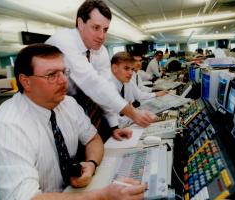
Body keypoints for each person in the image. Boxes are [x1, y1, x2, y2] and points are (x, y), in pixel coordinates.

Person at [0, 44, 147, 200]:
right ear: (26, 82)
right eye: (52, 75)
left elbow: (93, 139)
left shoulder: (67, 103)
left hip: (65, 196)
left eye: (64, 72)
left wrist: (91, 163)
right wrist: (103, 198)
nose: (64, 80)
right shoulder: (7, 128)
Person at [46, 0, 155, 134]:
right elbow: (92, 82)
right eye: (96, 28)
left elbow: (105, 86)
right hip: (48, 106)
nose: (102, 36)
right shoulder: (64, 41)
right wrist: (133, 113)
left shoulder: (101, 51)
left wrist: (113, 126)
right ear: (80, 23)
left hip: (78, 105)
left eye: (105, 29)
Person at [108, 52, 167, 127]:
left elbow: (131, 106)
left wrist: (139, 114)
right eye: (126, 68)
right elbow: (116, 121)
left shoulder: (126, 82)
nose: (130, 73)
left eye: (132, 69)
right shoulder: (108, 87)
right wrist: (137, 116)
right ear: (114, 68)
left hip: (125, 123)